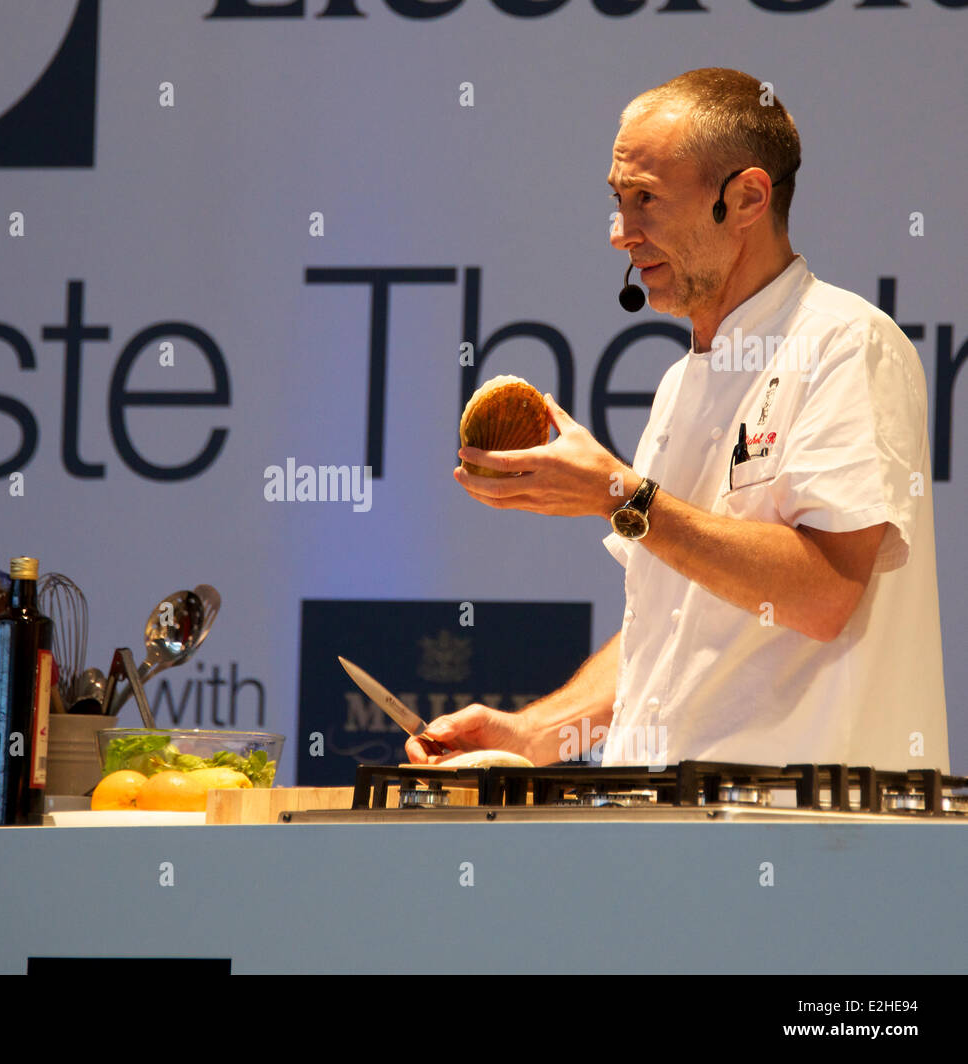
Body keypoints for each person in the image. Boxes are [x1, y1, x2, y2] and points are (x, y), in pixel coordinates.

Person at [407, 68, 949, 772]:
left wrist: (621, 497)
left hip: (808, 843)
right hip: (668, 835)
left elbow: (823, 594)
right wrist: (539, 734)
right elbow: (670, 625)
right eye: (618, 200)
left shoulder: (846, 344)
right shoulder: (679, 383)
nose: (621, 234)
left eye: (647, 201)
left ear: (748, 196)